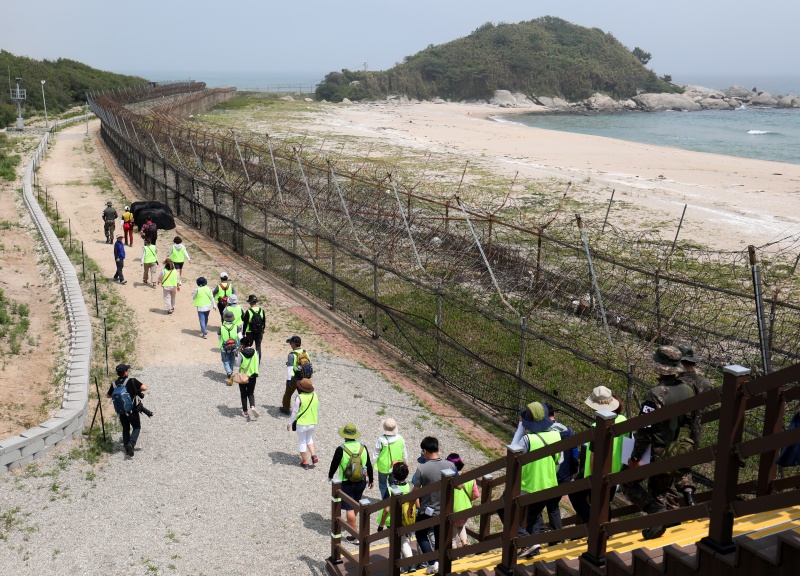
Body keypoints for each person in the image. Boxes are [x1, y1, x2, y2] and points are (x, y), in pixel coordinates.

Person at [623, 345, 700, 540]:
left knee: (627, 483)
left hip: (658, 451)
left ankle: (657, 513)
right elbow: (695, 421)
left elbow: (645, 429)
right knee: (664, 487)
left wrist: (634, 456)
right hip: (681, 447)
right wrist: (691, 448)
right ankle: (675, 524)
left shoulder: (655, 394)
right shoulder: (689, 389)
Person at [569, 387, 628, 524]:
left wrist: (594, 475)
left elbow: (594, 454)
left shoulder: (598, 425)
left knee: (575, 494)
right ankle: (604, 532)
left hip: (596, 471)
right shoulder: (624, 420)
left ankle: (594, 525)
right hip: (616, 469)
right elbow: (628, 445)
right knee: (605, 502)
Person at [530, 403, 578, 537]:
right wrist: (571, 473)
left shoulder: (542, 432)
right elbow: (575, 456)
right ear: (554, 414)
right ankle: (557, 538)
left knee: (537, 506)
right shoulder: (568, 431)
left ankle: (537, 537)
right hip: (564, 478)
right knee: (553, 506)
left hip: (547, 477)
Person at [412, 436, 458, 574]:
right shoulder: (450, 465)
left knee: (420, 534)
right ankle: (438, 561)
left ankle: (432, 562)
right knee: (439, 535)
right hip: (445, 508)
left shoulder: (422, 469)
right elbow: (458, 484)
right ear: (438, 449)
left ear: (424, 451)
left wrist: (410, 506)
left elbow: (415, 491)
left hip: (428, 510)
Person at [328, 423, 374, 542]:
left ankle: (355, 536)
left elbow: (334, 464)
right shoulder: (363, 447)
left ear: (345, 436)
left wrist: (330, 476)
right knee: (356, 504)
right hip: (361, 481)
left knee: (349, 507)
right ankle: (352, 523)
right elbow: (368, 465)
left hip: (347, 482)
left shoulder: (341, 449)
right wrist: (372, 480)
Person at [106, 363, 148, 457]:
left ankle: (126, 446)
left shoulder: (114, 384)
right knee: (136, 427)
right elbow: (144, 388)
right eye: (127, 370)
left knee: (126, 427)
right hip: (132, 410)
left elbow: (108, 395)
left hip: (121, 411)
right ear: (125, 372)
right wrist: (136, 390)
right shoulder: (132, 381)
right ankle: (131, 444)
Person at [376, 462, 415, 564]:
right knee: (404, 540)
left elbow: (386, 510)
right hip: (408, 518)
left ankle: (404, 566)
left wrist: (381, 525)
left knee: (398, 543)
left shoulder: (390, 490)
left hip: (393, 521)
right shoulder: (411, 487)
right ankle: (407, 564)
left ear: (393, 475)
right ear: (407, 474)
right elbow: (417, 504)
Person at [446, 453, 479, 548]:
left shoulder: (450, 480)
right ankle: (465, 543)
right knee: (461, 525)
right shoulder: (470, 478)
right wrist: (469, 499)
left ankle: (454, 555)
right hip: (466, 510)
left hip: (454, 511)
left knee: (451, 535)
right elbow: (476, 494)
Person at [286, 378, 319, 469]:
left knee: (302, 442)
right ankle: (313, 455)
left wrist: (289, 423)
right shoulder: (315, 395)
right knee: (309, 438)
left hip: (302, 423)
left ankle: (305, 462)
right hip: (313, 421)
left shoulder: (299, 397)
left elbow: (295, 412)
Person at [374, 417, 408, 500]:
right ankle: (395, 499)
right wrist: (405, 463)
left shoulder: (381, 439)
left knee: (382, 485)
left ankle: (386, 501)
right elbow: (404, 453)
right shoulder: (400, 438)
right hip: (396, 466)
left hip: (383, 466)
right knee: (393, 483)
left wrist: (370, 466)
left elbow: (376, 454)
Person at [281, 335, 309, 415]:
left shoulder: (291, 355)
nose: (290, 345)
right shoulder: (305, 352)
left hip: (293, 378)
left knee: (288, 393)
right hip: (303, 377)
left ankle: (286, 409)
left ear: (293, 344)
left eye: (290, 343)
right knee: (303, 394)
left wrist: (289, 379)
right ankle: (303, 410)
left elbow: (290, 368)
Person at [234, 335, 259, 419]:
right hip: (253, 375)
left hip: (243, 376)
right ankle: (252, 406)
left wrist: (237, 355)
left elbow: (237, 364)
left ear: (242, 344)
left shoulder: (241, 353)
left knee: (243, 394)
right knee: (251, 393)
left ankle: (245, 411)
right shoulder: (255, 352)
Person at [219, 308, 239, 382]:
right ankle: (231, 372)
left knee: (225, 361)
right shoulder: (236, 327)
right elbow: (240, 337)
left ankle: (229, 372)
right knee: (232, 360)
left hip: (224, 347)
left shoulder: (221, 328)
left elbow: (219, 337)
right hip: (234, 346)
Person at [242, 295, 265, 360]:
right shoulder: (261, 310)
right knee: (258, 347)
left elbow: (245, 324)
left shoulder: (248, 312)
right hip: (259, 332)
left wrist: (243, 333)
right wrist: (262, 329)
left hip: (250, 332)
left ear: (250, 302)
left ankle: (248, 360)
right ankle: (258, 362)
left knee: (248, 346)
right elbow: (263, 322)